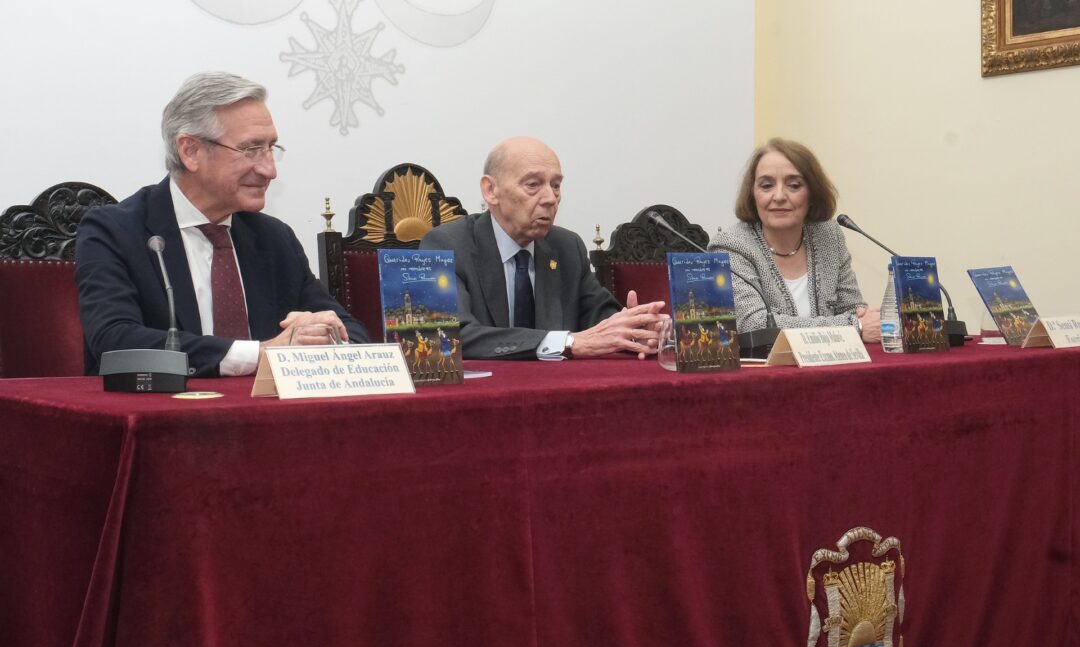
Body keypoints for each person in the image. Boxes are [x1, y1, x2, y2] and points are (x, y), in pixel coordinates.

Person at [76, 72, 368, 377]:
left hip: (265, 420)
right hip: (165, 417)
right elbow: (115, 341)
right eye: (251, 149)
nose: (269, 169)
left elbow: (351, 331)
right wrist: (260, 354)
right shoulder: (115, 232)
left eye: (271, 148)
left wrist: (325, 335)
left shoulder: (273, 239)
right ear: (190, 151)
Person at [419, 136, 666, 360]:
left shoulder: (566, 247)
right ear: (491, 190)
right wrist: (567, 342)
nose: (550, 198)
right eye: (533, 185)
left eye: (556, 185)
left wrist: (636, 328)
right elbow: (451, 334)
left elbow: (601, 321)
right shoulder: (447, 245)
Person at [709, 138, 881, 342]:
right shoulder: (731, 246)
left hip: (831, 367)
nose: (779, 196)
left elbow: (854, 308)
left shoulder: (829, 236)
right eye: (766, 186)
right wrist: (853, 327)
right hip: (770, 371)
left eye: (793, 185)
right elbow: (755, 325)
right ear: (752, 195)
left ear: (812, 194)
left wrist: (861, 321)